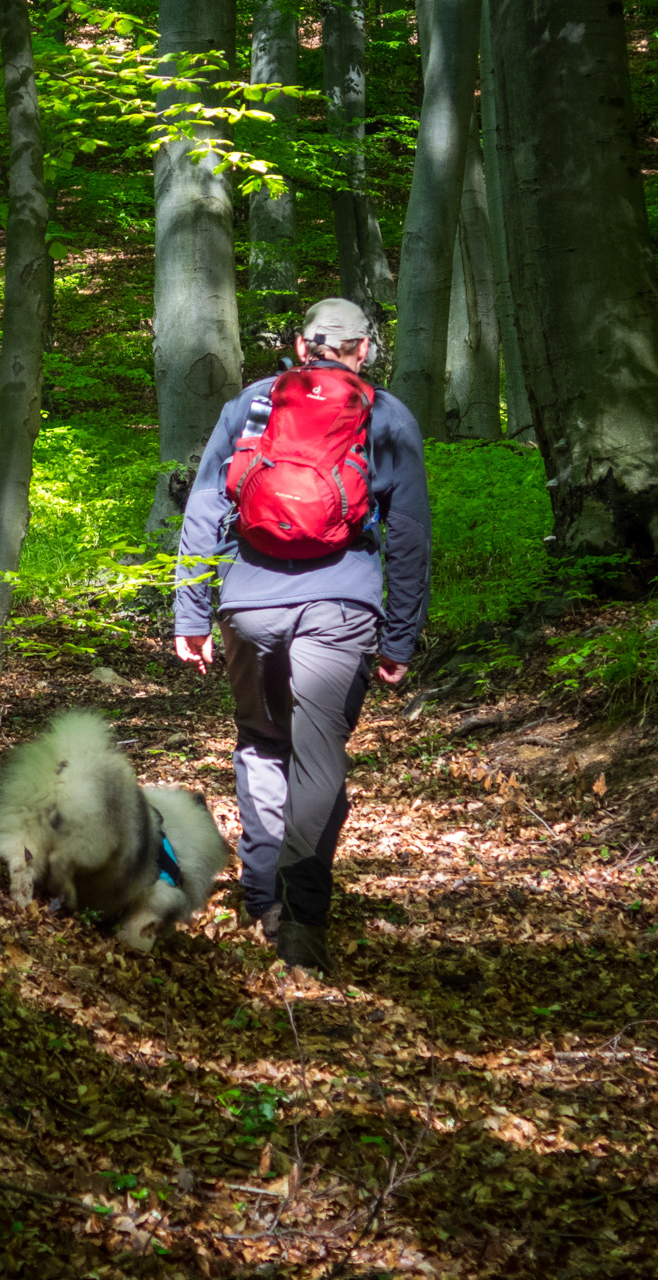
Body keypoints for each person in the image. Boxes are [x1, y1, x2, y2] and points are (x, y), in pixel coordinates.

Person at [172, 298, 430, 976]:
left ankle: (263, 899)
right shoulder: (388, 415)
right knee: (318, 760)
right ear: (364, 350)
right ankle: (304, 922)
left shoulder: (251, 406)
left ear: (300, 343)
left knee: (262, 743)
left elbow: (205, 510)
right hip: (340, 610)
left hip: (249, 606)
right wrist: (399, 638)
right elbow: (406, 537)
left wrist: (191, 614)